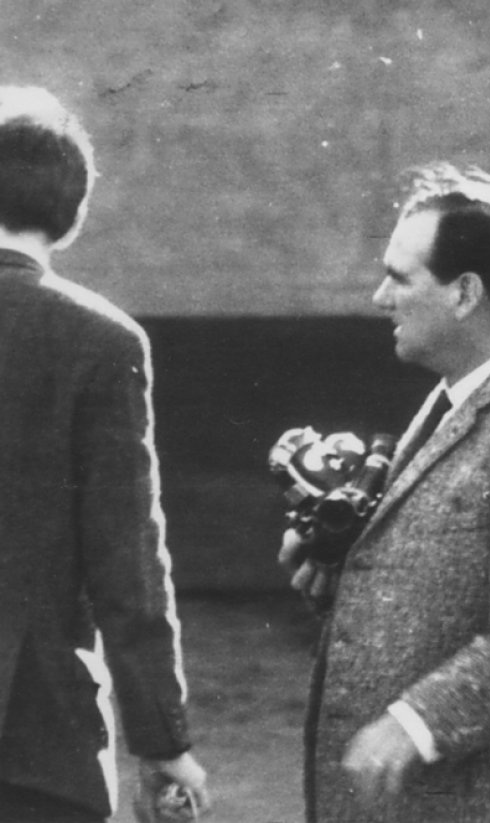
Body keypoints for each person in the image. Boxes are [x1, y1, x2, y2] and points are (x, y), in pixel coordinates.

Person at [279, 163, 490, 823]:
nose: (381, 296)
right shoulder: (466, 392)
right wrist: (340, 575)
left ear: (465, 293)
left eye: (400, 278)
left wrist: (415, 722)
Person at [0, 87, 209, 821]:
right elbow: (127, 563)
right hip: (33, 737)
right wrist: (162, 741)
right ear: (75, 212)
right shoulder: (102, 341)